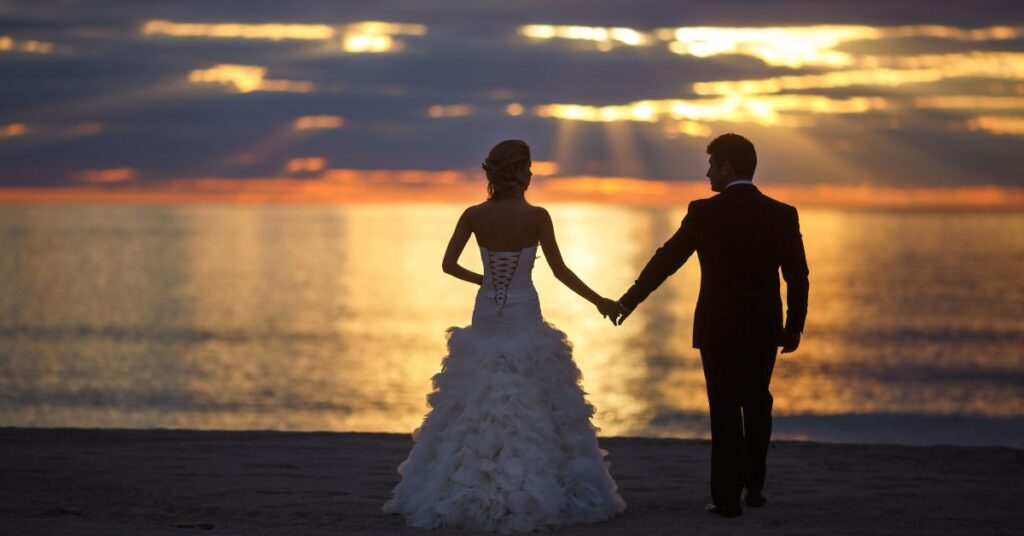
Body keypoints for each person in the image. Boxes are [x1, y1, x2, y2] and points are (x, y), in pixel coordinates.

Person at [382, 139, 626, 533]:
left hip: (486, 312)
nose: (531, 174)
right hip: (523, 309)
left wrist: (486, 280)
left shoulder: (474, 215)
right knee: (531, 393)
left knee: (477, 391)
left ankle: (462, 482)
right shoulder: (538, 216)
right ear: (518, 171)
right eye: (528, 167)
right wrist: (600, 300)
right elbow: (560, 272)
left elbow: (448, 265)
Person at [612, 133, 809, 518]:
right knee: (756, 402)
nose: (706, 173)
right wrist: (794, 325)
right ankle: (754, 486)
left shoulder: (703, 212)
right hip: (763, 327)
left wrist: (628, 301)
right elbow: (797, 276)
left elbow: (666, 260)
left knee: (723, 410)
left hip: (717, 328)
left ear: (726, 167)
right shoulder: (782, 213)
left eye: (711, 165)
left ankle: (726, 500)